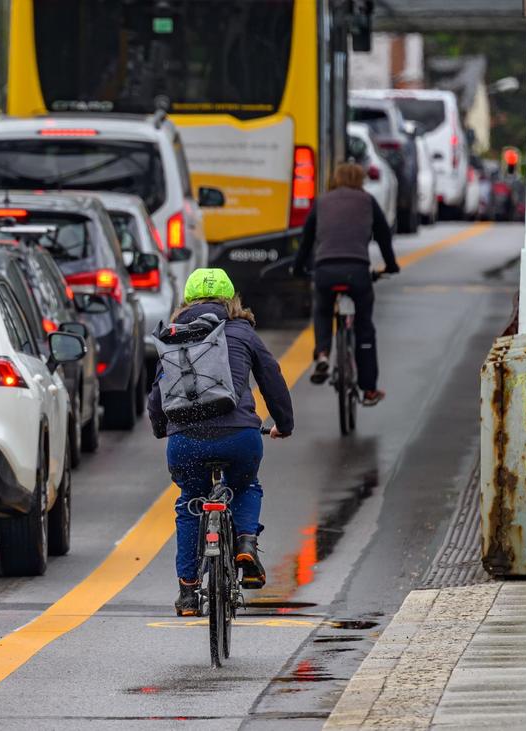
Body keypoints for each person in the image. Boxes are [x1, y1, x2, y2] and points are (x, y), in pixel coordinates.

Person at [148, 268, 294, 617]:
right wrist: (284, 425)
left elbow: (157, 397)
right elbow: (271, 378)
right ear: (231, 300)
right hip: (240, 437)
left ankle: (186, 592)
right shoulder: (243, 332)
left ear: (188, 301)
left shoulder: (173, 336)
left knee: (190, 502)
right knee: (246, 485)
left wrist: (161, 429)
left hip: (186, 442)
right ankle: (245, 542)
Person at [291, 161, 401, 406]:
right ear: (360, 181)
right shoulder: (368, 202)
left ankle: (321, 354)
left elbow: (306, 240)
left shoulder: (322, 202)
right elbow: (384, 236)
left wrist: (299, 269)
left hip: (325, 270)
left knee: (322, 310)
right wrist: (391, 265)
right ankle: (369, 389)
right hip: (358, 271)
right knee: (364, 328)